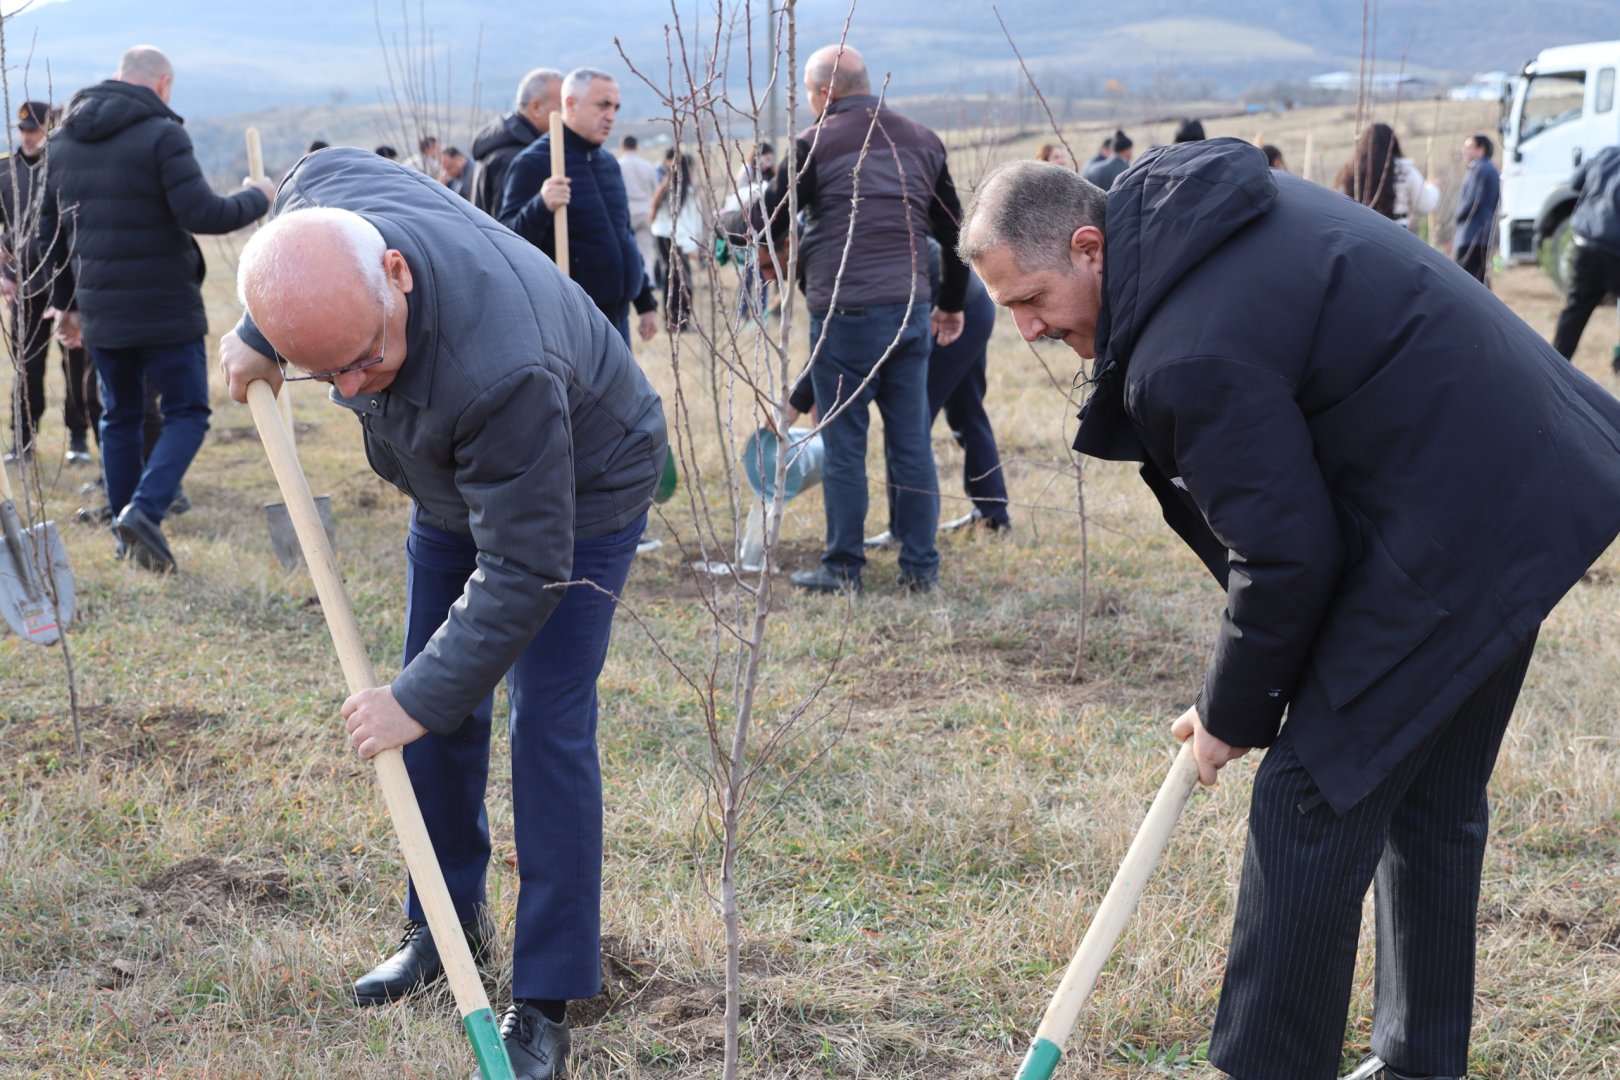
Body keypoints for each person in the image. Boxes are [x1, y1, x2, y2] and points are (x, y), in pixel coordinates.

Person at [959, 145, 1620, 1080]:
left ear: (1089, 246)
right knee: (1427, 803)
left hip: (1462, 528)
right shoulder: (1202, 227)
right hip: (1527, 485)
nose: (1024, 330)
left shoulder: (1188, 350)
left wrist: (1235, 713)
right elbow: (1302, 532)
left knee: (1311, 799)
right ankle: (1417, 1062)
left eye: (1029, 300)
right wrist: (1234, 694)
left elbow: (1286, 558)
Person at [218, 147, 666, 1080]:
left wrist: (415, 697)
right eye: (324, 374)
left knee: (541, 721)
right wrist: (260, 332)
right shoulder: (327, 197)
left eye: (363, 362)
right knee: (434, 712)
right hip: (456, 483)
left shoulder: (501, 367)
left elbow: (527, 570)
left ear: (398, 274)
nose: (348, 391)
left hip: (579, 489)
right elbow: (307, 214)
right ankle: (443, 934)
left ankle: (544, 997)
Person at [33, 46, 274, 572]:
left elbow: (48, 236)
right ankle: (143, 510)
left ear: (119, 77)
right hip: (165, 309)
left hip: (102, 312)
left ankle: (127, 536)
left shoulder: (61, 142)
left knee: (119, 417)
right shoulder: (163, 134)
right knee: (187, 412)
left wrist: (64, 307)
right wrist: (257, 196)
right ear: (162, 84)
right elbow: (203, 213)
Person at [760, 43, 967, 594]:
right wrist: (949, 304)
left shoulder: (813, 144)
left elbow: (773, 217)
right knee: (912, 444)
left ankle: (844, 567)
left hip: (844, 316)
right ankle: (921, 569)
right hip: (911, 312)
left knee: (845, 445)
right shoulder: (923, 141)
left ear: (823, 91)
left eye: (809, 93)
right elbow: (955, 236)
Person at [787, 237, 1010, 542]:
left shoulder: (826, 255)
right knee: (964, 411)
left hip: (952, 310)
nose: (764, 275)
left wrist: (794, 404)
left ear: (786, 243)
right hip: (969, 303)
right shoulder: (821, 244)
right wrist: (815, 393)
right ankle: (992, 515)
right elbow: (832, 334)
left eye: (763, 263)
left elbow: (830, 338)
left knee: (907, 427)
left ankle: (906, 533)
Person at [500, 68, 658, 345]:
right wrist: (542, 205)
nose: (611, 115)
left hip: (617, 320)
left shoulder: (609, 164)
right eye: (603, 105)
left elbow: (624, 235)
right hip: (570, 323)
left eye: (615, 107)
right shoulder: (535, 162)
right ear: (570, 103)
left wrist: (645, 302)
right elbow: (505, 242)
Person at [1, 100, 99, 466]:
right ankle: (23, 442)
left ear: (50, 127)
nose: (28, 136)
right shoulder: (3, 171)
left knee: (76, 367)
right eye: (23, 129)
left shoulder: (66, 168)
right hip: (25, 288)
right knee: (28, 366)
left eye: (35, 128)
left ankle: (78, 438)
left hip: (68, 285)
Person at [1551, 144, 1620, 363]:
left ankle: (1558, 362)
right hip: (1616, 247)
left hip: (1586, 242)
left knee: (1577, 308)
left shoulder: (1606, 153)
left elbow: (1574, 183)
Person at [472, 68, 562, 215]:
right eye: (562, 105)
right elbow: (506, 226)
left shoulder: (505, 143)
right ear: (536, 107)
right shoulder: (516, 157)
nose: (568, 114)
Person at [1336, 122, 1438, 231]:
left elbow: (1339, 206)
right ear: (1393, 144)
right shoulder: (1405, 171)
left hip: (1360, 235)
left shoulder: (1352, 172)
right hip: (1398, 237)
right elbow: (1425, 204)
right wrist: (1433, 187)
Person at [649, 152, 702, 333]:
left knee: (670, 278)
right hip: (676, 238)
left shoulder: (667, 185)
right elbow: (687, 222)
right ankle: (680, 322)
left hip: (661, 234)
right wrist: (691, 246)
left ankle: (673, 321)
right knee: (683, 280)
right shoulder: (686, 191)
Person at [1452, 134, 1500, 285]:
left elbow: (1472, 201)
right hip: (1484, 232)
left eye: (1468, 147)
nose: (1464, 151)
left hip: (1472, 233)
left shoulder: (1479, 169)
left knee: (1465, 280)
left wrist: (1457, 216)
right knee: (1480, 278)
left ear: (1481, 150)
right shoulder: (1490, 169)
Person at [617, 134, 659, 286]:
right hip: (646, 211)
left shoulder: (618, 165)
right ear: (637, 147)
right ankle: (648, 283)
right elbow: (656, 190)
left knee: (626, 251)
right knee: (646, 251)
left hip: (626, 212)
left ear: (622, 147)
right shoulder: (648, 166)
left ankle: (630, 283)